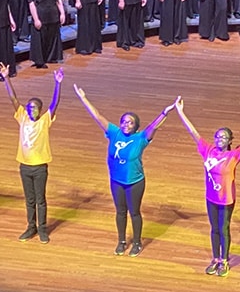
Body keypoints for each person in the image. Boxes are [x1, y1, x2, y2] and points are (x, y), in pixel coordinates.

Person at [174, 98, 240, 276]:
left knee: (223, 228)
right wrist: (180, 111)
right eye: (217, 136)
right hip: (211, 198)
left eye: (224, 137)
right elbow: (192, 131)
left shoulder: (234, 155)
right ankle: (215, 258)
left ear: (230, 140)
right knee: (214, 228)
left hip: (226, 199)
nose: (219, 139)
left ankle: (225, 260)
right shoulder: (207, 150)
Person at [74, 87, 175, 256]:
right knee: (120, 211)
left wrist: (165, 112)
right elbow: (97, 116)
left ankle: (137, 242)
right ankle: (121, 241)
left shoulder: (140, 138)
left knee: (134, 212)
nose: (126, 125)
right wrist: (83, 98)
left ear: (136, 126)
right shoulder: (114, 133)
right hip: (116, 181)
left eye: (130, 122)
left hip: (134, 182)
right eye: (124, 121)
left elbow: (154, 126)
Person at [0, 63, 63, 244]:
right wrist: (6, 78)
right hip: (25, 166)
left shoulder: (44, 121)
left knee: (40, 199)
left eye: (34, 107)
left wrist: (58, 83)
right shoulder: (22, 117)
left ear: (40, 110)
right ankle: (31, 227)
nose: (30, 109)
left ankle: (43, 229)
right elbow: (13, 98)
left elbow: (55, 103)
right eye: (29, 107)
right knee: (29, 200)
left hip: (40, 167)